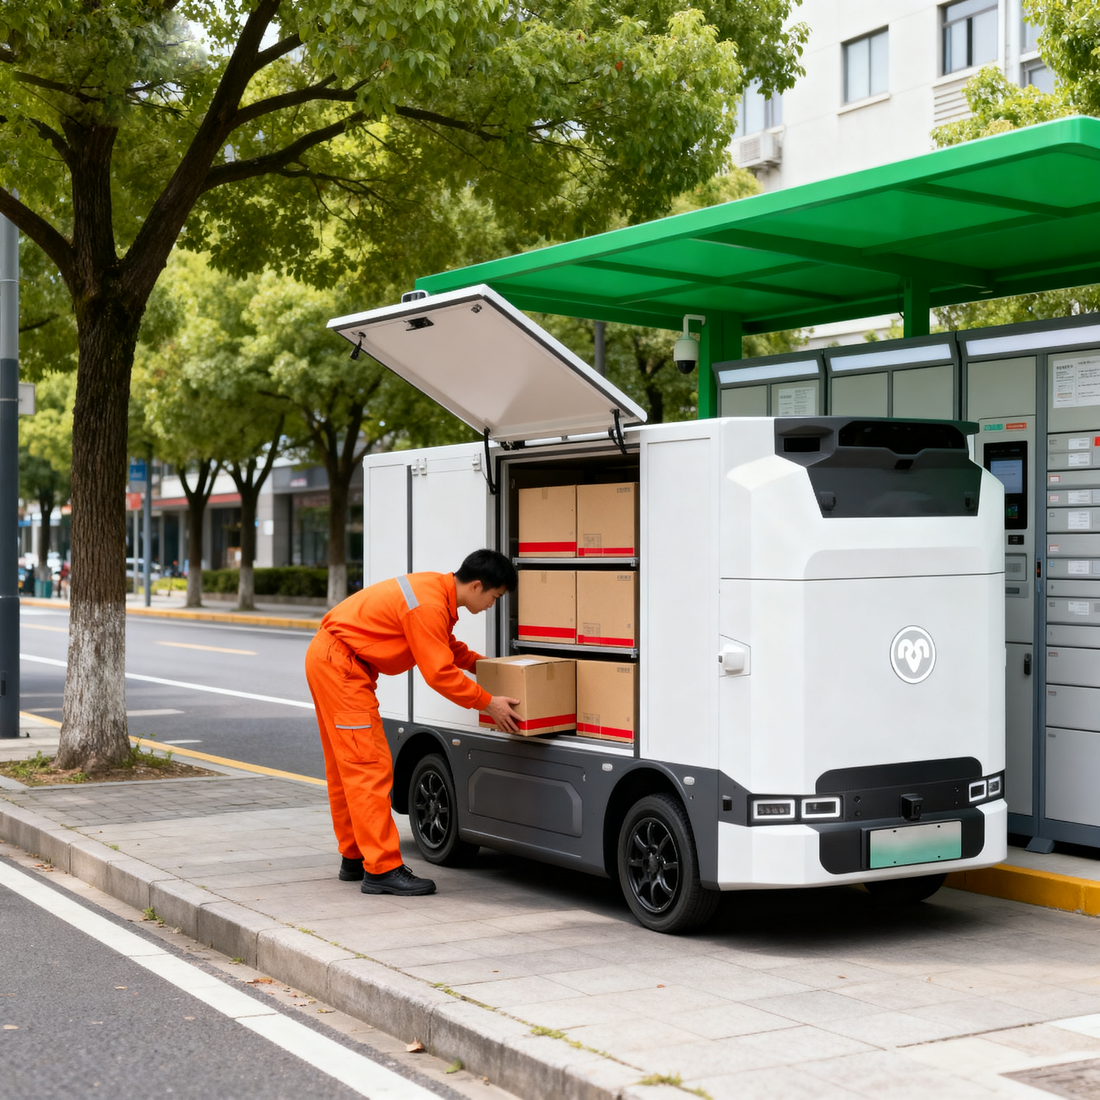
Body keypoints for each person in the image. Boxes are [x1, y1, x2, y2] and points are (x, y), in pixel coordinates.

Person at [305, 549, 522, 897]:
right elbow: (439, 673)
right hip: (342, 668)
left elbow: (445, 647)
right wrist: (488, 702)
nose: (492, 606)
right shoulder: (430, 605)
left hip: (332, 660)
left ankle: (355, 856)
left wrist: (490, 669)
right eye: (495, 598)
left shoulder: (435, 590)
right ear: (478, 586)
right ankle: (382, 869)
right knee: (368, 768)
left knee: (346, 767)